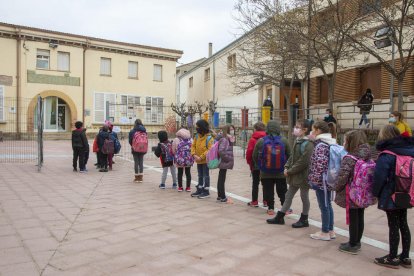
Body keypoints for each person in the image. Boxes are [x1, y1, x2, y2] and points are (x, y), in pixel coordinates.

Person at [373, 125, 412, 269]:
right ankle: (406, 257)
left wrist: (376, 193)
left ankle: (392, 257)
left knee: (393, 225)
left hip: (391, 193)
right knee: (404, 223)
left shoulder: (387, 154)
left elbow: (379, 177)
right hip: (406, 191)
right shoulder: (409, 151)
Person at [267, 119, 314, 227]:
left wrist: (290, 170)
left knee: (304, 196)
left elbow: (303, 162)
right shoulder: (298, 140)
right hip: (295, 174)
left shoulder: (309, 144)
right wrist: (286, 166)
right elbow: (292, 157)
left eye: (298, 127)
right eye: (295, 126)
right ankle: (280, 217)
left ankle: (304, 218)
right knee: (288, 195)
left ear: (305, 130)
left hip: (303, 175)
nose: (295, 129)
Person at [334, 130, 371, 254]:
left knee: (353, 217)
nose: (343, 142)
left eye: (345, 140)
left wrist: (336, 187)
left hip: (352, 192)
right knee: (360, 216)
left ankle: (353, 244)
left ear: (351, 142)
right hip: (363, 192)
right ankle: (357, 241)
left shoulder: (350, 157)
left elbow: (342, 177)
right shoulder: (367, 155)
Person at [252, 120, 290, 216]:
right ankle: (285, 208)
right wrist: (286, 166)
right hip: (281, 172)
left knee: (268, 190)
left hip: (265, 172)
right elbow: (290, 155)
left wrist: (260, 166)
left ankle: (270, 208)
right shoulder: (284, 140)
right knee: (282, 190)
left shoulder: (261, 140)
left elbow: (254, 156)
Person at [308, 121, 337, 241]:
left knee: (324, 206)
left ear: (318, 130)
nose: (311, 132)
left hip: (322, 181)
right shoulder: (329, 142)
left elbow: (319, 165)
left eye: (313, 129)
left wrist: (313, 180)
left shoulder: (321, 145)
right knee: (327, 205)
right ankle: (330, 230)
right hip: (328, 179)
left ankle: (325, 232)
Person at [191, 119, 214, 199]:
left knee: (206, 175)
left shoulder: (209, 138)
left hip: (205, 160)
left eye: (197, 127)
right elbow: (193, 146)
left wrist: (201, 157)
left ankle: (206, 191)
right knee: (200, 175)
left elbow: (210, 150)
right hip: (198, 160)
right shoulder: (196, 136)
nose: (196, 128)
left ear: (202, 127)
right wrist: (194, 154)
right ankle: (200, 189)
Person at [246, 122, 267, 207]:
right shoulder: (267, 138)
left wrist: (250, 162)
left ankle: (254, 201)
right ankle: (266, 201)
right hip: (266, 164)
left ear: (255, 129)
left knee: (255, 183)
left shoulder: (253, 139)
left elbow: (249, 153)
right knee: (265, 183)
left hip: (256, 164)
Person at [216, 125, 235, 203]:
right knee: (222, 179)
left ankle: (220, 196)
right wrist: (228, 159)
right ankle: (223, 197)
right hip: (224, 161)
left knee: (221, 177)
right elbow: (221, 151)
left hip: (224, 161)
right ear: (226, 130)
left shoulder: (228, 138)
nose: (232, 130)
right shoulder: (225, 139)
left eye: (233, 129)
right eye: (230, 129)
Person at [172, 128, 193, 192]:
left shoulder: (176, 139)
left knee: (180, 173)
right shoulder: (191, 140)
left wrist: (177, 156)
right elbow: (193, 149)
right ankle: (188, 187)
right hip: (188, 159)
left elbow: (173, 150)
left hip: (180, 159)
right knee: (188, 172)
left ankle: (180, 187)